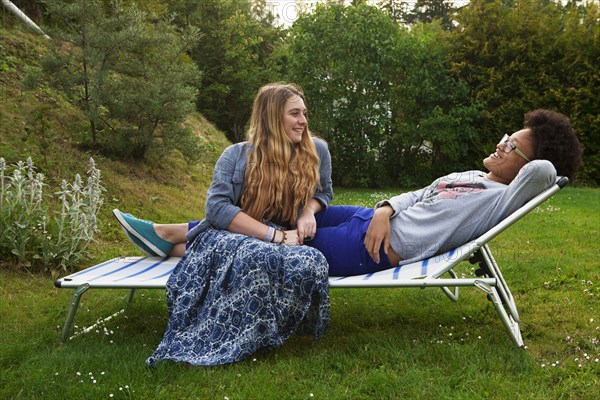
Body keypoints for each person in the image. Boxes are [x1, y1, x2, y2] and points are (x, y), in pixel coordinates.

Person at [116, 109, 583, 277]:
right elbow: (420, 192)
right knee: (284, 217)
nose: (502, 143)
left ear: (525, 164)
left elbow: (544, 169)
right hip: (373, 222)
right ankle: (177, 238)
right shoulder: (476, 177)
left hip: (378, 249)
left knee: (278, 239)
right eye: (507, 137)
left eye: (512, 145)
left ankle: (174, 239)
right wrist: (383, 207)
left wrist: (538, 148)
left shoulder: (501, 196)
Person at [127, 83, 334, 367]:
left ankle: (173, 240)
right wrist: (274, 236)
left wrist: (308, 212)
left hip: (281, 232)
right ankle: (236, 332)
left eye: (304, 113)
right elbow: (217, 208)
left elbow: (324, 192)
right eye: (294, 114)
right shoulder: (235, 156)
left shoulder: (317, 150)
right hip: (235, 233)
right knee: (253, 253)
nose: (303, 121)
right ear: (272, 118)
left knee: (309, 261)